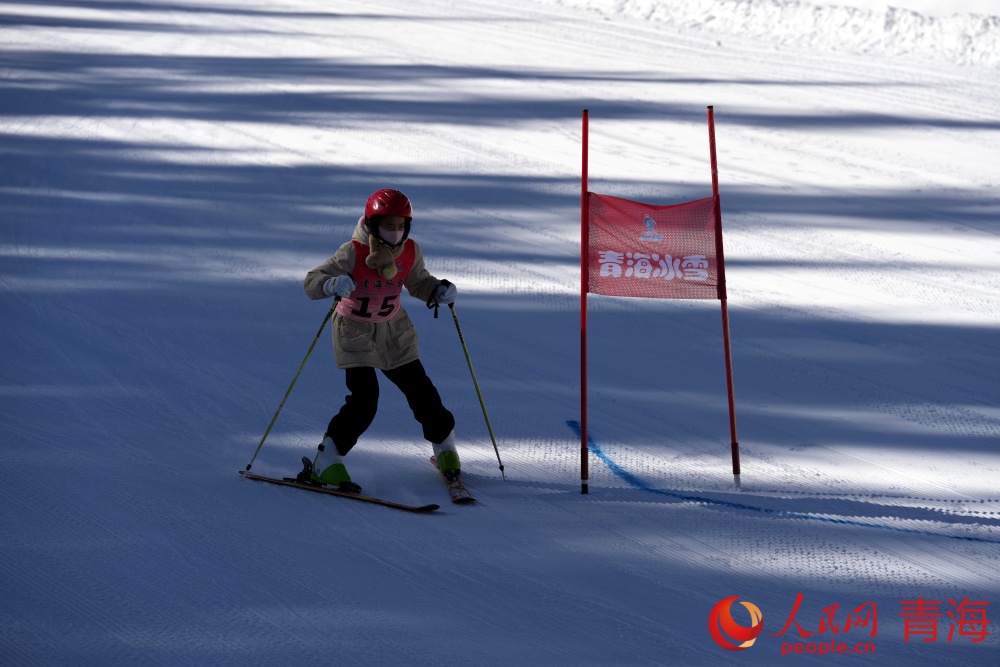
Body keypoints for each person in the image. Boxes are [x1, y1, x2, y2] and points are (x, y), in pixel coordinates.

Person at [299, 188, 461, 492]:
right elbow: (311, 282)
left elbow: (418, 282)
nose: (396, 232)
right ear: (374, 224)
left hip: (394, 331)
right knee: (365, 400)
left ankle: (445, 447)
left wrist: (438, 290)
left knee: (421, 392)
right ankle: (327, 461)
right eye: (389, 225)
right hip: (355, 332)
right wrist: (332, 283)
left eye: (401, 226)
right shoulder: (353, 251)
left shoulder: (410, 251)